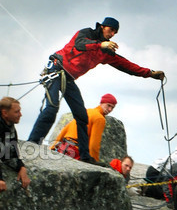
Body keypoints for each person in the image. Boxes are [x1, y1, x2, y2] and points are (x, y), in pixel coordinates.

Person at [28, 17, 165, 164]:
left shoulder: (106, 52)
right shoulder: (86, 33)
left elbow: (126, 65)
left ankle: (86, 157)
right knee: (52, 108)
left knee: (82, 116)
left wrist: (150, 73)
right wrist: (101, 45)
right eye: (111, 30)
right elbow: (80, 44)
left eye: (115, 32)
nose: (112, 34)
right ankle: (32, 144)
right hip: (56, 69)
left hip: (68, 78)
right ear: (102, 27)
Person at [50, 93, 118, 163]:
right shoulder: (100, 118)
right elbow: (94, 144)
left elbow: (65, 129)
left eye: (112, 108)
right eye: (108, 105)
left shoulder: (86, 111)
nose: (110, 109)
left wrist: (52, 147)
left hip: (63, 147)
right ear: (102, 103)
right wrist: (93, 161)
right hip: (75, 152)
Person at [0, 96, 30, 192]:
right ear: (5, 113)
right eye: (16, 112)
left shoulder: (10, 126)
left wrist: (21, 167)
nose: (20, 114)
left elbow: (9, 153)